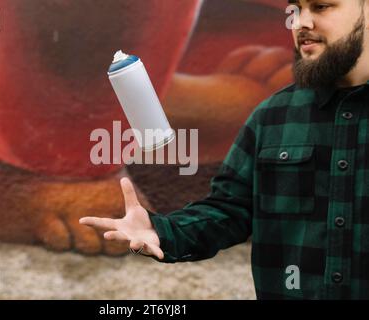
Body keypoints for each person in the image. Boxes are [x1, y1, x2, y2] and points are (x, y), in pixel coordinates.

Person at [80, 0, 369, 299]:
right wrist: (162, 231)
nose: (299, 23)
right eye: (296, 10)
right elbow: (228, 211)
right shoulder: (272, 116)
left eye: (321, 7)